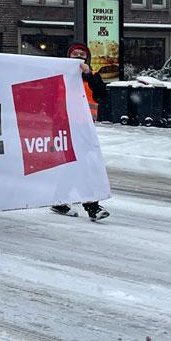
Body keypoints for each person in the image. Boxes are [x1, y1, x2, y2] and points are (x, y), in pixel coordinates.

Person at [51, 43, 111, 222]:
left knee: (73, 167)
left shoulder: (92, 77)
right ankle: (92, 207)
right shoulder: (59, 76)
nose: (78, 56)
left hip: (84, 129)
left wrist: (88, 74)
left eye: (82, 54)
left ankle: (59, 200)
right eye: (74, 54)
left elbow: (101, 93)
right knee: (83, 167)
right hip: (64, 129)